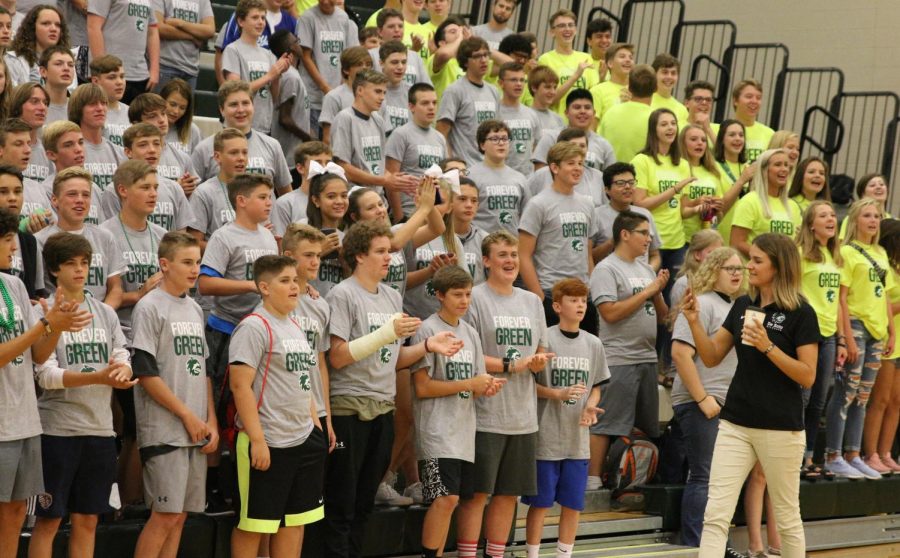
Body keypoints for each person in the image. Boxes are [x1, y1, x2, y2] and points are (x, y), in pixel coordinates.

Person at [322, 219, 461, 558]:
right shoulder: (343, 294)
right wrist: (387, 333)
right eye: (380, 252)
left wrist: (428, 347)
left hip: (383, 407)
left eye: (390, 251)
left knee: (365, 501)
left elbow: (396, 358)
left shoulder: (389, 295)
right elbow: (337, 357)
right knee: (342, 502)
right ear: (358, 256)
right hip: (348, 409)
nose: (388, 258)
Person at [681, 233, 817, 558]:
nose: (748, 266)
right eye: (749, 258)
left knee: (786, 518)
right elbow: (712, 356)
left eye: (757, 260)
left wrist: (767, 346)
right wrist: (695, 322)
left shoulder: (801, 312)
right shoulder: (743, 305)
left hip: (781, 427)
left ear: (778, 266)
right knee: (715, 514)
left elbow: (807, 375)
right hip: (736, 423)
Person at [28, 232, 135, 558]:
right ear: (54, 270)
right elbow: (45, 375)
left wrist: (122, 371)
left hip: (100, 431)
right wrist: (98, 376)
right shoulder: (42, 312)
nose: (79, 269)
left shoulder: (105, 313)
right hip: (56, 433)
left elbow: (121, 354)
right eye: (71, 263)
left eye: (84, 263)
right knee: (48, 521)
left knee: (88, 519)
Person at [454, 230, 551, 558]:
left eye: (513, 254)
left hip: (523, 416)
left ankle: (495, 554)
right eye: (503, 255)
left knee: (508, 495)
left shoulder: (532, 301)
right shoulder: (476, 298)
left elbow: (541, 350)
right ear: (486, 261)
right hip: (485, 414)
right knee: (477, 494)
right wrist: (512, 365)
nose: (510, 261)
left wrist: (536, 361)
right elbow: (468, 353)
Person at [0, 206, 90, 558]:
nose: (13, 248)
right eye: (7, 239)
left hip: (24, 418)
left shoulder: (13, 285)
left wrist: (56, 325)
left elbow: (37, 355)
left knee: (17, 509)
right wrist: (45, 325)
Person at [228, 255, 327, 558]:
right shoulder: (254, 327)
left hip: (304, 438)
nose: (294, 286)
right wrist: (257, 440)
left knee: (295, 523)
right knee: (255, 525)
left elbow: (304, 382)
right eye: (285, 281)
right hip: (268, 441)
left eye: (295, 280)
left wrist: (316, 428)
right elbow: (239, 385)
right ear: (264, 287)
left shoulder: (295, 326)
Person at [131, 231, 218, 558]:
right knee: (164, 516)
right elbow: (145, 372)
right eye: (187, 262)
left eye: (197, 262)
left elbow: (205, 371)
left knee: (180, 516)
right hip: (166, 429)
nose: (195, 269)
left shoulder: (195, 309)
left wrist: (210, 420)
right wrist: (186, 415)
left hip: (196, 429)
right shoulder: (149, 307)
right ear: (164, 265)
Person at [412, 264, 504, 558]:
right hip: (437, 431)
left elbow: (475, 383)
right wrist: (469, 382)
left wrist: (486, 386)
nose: (464, 301)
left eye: (467, 294)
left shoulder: (471, 334)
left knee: (452, 501)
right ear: (439, 295)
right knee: (444, 499)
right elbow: (423, 388)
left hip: (464, 432)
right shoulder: (427, 329)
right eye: (457, 295)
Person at [523, 278, 608, 558]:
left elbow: (596, 386)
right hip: (547, 437)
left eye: (583, 300)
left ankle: (564, 555)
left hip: (577, 440)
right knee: (541, 503)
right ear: (558, 306)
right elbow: (527, 385)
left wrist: (589, 407)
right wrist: (556, 394)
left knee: (573, 505)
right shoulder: (544, 339)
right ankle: (533, 554)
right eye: (573, 300)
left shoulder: (594, 344)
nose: (580, 305)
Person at [669, 246, 743, 548]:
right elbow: (680, 354)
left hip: (726, 403)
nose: (738, 273)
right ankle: (695, 546)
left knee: (720, 479)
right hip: (701, 402)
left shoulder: (736, 306)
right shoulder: (699, 304)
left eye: (741, 268)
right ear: (713, 270)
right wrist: (702, 399)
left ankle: (715, 544)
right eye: (731, 268)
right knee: (704, 474)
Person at [587, 211, 667, 490]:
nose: (650, 238)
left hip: (646, 356)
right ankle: (593, 480)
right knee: (607, 421)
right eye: (643, 232)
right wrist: (648, 291)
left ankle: (633, 480)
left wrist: (659, 293)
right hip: (618, 357)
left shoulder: (645, 269)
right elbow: (609, 313)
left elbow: (662, 317)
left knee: (645, 425)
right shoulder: (606, 269)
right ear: (625, 234)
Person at [824, 198, 893, 479]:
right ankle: (833, 455)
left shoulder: (880, 251)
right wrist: (847, 338)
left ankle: (854, 453)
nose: (873, 220)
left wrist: (891, 330)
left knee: (862, 397)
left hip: (878, 331)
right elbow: (841, 298)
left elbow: (886, 295)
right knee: (846, 393)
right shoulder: (848, 252)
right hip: (856, 325)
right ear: (854, 219)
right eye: (867, 215)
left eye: (876, 216)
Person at [198, 173, 279, 396]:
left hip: (260, 330)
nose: (269, 203)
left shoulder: (269, 237)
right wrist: (250, 285)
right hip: (226, 329)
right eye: (262, 197)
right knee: (222, 395)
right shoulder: (224, 236)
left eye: (270, 197)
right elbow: (205, 284)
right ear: (241, 201)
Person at [519, 141, 595, 329]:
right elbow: (523, 255)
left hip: (582, 295)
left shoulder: (587, 204)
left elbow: (588, 253)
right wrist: (540, 297)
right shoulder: (538, 204)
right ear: (554, 167)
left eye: (580, 163)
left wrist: (591, 288)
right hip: (551, 292)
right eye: (571, 163)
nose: (577, 168)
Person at [795, 200, 844, 481]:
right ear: (810, 224)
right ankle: (793, 455)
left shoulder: (833, 255)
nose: (831, 219)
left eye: (833, 215)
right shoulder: (800, 252)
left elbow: (836, 300)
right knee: (802, 398)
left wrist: (840, 339)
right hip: (807, 335)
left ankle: (809, 456)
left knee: (817, 402)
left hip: (827, 336)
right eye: (823, 215)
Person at [35, 167, 126, 306]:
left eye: (85, 195)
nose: (80, 200)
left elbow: (115, 288)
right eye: (72, 194)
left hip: (98, 322)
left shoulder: (105, 237)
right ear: (54, 200)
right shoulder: (40, 240)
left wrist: (101, 316)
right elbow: (38, 293)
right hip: (59, 318)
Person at [281, 223, 336, 450]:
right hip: (285, 409)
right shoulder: (276, 303)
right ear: (289, 257)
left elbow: (321, 364)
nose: (316, 262)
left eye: (318, 255)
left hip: (318, 409)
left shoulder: (320, 304)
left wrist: (328, 418)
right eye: (308, 255)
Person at [99, 159, 167, 342]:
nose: (153, 194)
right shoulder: (103, 234)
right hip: (122, 332)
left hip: (158, 333)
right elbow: (97, 294)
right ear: (123, 191)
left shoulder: (163, 236)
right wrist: (138, 294)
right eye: (145, 188)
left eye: (155, 187)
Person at [632, 108, 693, 298]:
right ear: (654, 129)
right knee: (649, 297)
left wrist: (701, 206)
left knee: (673, 300)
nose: (670, 128)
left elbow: (682, 210)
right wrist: (674, 190)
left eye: (673, 123)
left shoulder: (682, 164)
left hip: (677, 243)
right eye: (664, 124)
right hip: (650, 243)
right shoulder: (642, 161)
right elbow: (639, 204)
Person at [331, 69, 418, 199]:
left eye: (384, 93)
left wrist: (399, 181)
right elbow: (343, 168)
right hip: (354, 197)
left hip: (377, 197)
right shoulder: (345, 118)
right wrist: (384, 181)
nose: (382, 97)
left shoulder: (378, 119)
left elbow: (379, 165)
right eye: (377, 91)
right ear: (360, 90)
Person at [102, 123, 195, 232]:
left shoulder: (174, 188)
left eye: (156, 144)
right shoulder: (114, 190)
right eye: (143, 145)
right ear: (128, 152)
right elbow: (111, 232)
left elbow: (181, 235)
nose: (152, 150)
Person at [863, 218, 900, 474]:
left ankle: (886, 453)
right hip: (888, 340)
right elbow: (883, 306)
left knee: (897, 402)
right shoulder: (882, 267)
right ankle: (870, 453)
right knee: (881, 400)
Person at [222, 0, 292, 135]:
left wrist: (278, 74)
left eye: (263, 18)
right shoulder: (233, 50)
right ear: (241, 21)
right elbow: (234, 92)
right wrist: (269, 76)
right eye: (255, 18)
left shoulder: (268, 54)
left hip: (263, 124)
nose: (261, 22)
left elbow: (274, 97)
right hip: (239, 126)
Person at [296, 0, 360, 138]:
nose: (325, 1)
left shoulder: (343, 18)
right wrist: (325, 88)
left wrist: (342, 87)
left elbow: (350, 56)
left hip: (337, 94)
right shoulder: (307, 18)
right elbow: (305, 57)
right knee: (314, 146)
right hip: (314, 97)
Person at [384, 82, 447, 221]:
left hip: (435, 213)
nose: (431, 107)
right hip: (409, 212)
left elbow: (443, 180)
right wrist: (399, 216)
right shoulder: (400, 135)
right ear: (411, 106)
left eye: (434, 103)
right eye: (425, 103)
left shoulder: (440, 138)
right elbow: (391, 180)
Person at [436, 37, 501, 166]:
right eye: (477, 56)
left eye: (486, 55)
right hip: (464, 168)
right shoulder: (455, 90)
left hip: (488, 166)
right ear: (465, 62)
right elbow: (441, 132)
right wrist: (451, 164)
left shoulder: (493, 91)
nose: (483, 60)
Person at [591, 161, 661, 269]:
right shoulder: (596, 215)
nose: (628, 187)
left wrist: (648, 272)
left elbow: (654, 255)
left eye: (631, 182)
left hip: (642, 281)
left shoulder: (645, 214)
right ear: (607, 189)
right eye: (620, 183)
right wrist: (613, 242)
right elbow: (589, 257)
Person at [730, 149, 799, 258]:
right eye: (778, 165)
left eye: (786, 165)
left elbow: (796, 244)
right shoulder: (749, 201)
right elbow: (736, 243)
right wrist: (768, 258)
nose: (784, 169)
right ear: (764, 170)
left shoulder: (793, 206)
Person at [88, 0, 161, 102]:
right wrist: (101, 69)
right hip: (110, 75)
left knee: (138, 117)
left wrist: (154, 70)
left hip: (140, 75)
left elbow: (152, 31)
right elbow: (93, 27)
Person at [680, 124, 743, 239]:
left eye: (704, 140)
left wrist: (717, 208)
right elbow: (675, 208)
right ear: (682, 143)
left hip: (706, 237)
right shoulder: (679, 169)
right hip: (683, 237)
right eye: (694, 139)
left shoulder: (713, 172)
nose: (700, 143)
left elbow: (718, 218)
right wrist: (697, 202)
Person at [467, 119, 529, 234]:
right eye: (494, 139)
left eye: (504, 139)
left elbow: (527, 219)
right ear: (482, 145)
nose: (501, 143)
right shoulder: (470, 176)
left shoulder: (520, 178)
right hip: (480, 244)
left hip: (511, 245)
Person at [532, 88, 615, 173]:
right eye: (577, 107)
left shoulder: (604, 145)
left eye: (587, 107)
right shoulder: (551, 138)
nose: (582, 111)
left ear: (594, 113)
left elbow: (611, 179)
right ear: (566, 113)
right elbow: (540, 174)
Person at [188, 127, 246, 247]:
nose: (241, 158)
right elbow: (194, 242)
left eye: (244, 152)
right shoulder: (203, 193)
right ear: (217, 157)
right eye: (234, 152)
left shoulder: (256, 189)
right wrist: (229, 252)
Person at [536, 9, 596, 116]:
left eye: (570, 25)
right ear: (552, 32)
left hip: (581, 123)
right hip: (556, 123)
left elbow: (593, 97)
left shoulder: (587, 58)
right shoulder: (545, 59)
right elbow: (548, 100)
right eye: (562, 26)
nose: (567, 29)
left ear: (576, 30)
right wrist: (575, 76)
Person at [0, 164, 48, 298]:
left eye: (17, 191)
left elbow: (37, 292)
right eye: (3, 192)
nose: (12, 198)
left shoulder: (29, 241)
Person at [69, 83, 127, 193]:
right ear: (78, 108)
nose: (100, 108)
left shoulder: (119, 153)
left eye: (104, 103)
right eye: (92, 104)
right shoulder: (70, 151)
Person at [268, 30, 313, 163]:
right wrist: (308, 138)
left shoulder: (293, 73)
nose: (300, 45)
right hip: (290, 155)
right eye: (297, 41)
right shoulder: (290, 76)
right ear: (291, 48)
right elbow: (284, 118)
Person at [271, 141, 332, 238]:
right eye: (318, 163)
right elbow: (280, 243)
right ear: (300, 168)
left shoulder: (338, 200)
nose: (324, 168)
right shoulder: (285, 203)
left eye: (328, 163)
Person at [2, 118, 55, 227]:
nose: (28, 150)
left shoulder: (37, 188)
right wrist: (22, 230)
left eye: (28, 143)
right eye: (18, 144)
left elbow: (53, 229)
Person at [304, 166, 348, 296]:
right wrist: (318, 252)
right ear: (316, 200)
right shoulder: (301, 232)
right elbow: (287, 272)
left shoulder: (346, 237)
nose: (339, 201)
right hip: (309, 308)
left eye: (344, 196)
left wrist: (345, 263)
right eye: (331, 196)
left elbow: (354, 283)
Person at [597, 63, 654, 163]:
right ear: (656, 88)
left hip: (609, 174)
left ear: (629, 87)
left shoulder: (610, 113)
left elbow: (599, 146)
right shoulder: (657, 119)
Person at [152, 0, 215, 89]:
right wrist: (192, 37)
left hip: (190, 69)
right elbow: (159, 28)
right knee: (159, 103)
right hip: (164, 65)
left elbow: (210, 30)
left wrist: (180, 23)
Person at [319, 45, 374, 144]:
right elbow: (327, 139)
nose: (365, 68)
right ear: (346, 70)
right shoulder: (333, 97)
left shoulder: (376, 95)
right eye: (359, 64)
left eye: (368, 64)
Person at [496, 61, 542, 177]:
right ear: (501, 83)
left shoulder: (532, 114)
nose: (519, 84)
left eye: (522, 80)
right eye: (513, 80)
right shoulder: (494, 113)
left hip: (527, 177)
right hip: (500, 175)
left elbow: (537, 148)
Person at [712, 119, 753, 245]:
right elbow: (719, 209)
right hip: (719, 237)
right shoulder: (713, 166)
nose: (737, 139)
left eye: (741, 135)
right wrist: (741, 181)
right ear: (722, 140)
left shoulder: (749, 167)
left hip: (744, 239)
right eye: (732, 135)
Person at [367, 8, 430, 87]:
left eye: (400, 26)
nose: (397, 30)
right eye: (391, 26)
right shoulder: (370, 56)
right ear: (379, 31)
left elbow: (426, 88)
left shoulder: (415, 57)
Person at [9, 5, 68, 83]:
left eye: (58, 25)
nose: (53, 29)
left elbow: (72, 92)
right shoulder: (14, 59)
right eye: (46, 23)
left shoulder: (67, 60)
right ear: (32, 28)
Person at [8, 82, 52, 183]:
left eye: (45, 103)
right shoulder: (5, 146)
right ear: (17, 105)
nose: (42, 108)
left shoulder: (48, 151)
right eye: (34, 101)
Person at [90, 55, 130, 149]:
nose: (119, 82)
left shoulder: (131, 112)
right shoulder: (88, 112)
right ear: (95, 81)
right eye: (112, 77)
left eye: (122, 76)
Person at [730, 79, 773, 163]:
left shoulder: (770, 134)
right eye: (749, 97)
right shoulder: (719, 130)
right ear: (735, 101)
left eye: (758, 98)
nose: (754, 101)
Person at [589, 43, 633, 122]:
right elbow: (592, 128)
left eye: (631, 57)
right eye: (622, 56)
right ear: (610, 63)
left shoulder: (638, 92)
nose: (628, 60)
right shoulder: (597, 91)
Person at [160, 78, 203, 156]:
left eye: (182, 108)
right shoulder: (148, 127)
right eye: (173, 104)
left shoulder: (193, 131)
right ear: (162, 100)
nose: (176, 111)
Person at [378, 40, 412, 136]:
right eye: (394, 62)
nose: (400, 67)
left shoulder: (413, 93)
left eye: (404, 62)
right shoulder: (372, 93)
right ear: (381, 63)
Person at [37, 46, 74, 126]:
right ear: (43, 71)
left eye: (71, 65)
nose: (66, 68)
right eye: (58, 64)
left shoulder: (79, 107)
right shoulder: (33, 107)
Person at [649, 53, 689, 124]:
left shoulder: (682, 110)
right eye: (665, 72)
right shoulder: (644, 100)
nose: (669, 77)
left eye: (673, 73)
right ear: (654, 74)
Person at [527, 66, 565, 131]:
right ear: (534, 88)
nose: (553, 92)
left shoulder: (558, 119)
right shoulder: (525, 117)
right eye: (547, 87)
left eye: (555, 87)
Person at [584, 17, 612, 82]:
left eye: (607, 36)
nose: (604, 40)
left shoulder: (618, 66)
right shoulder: (583, 63)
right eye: (599, 36)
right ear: (589, 41)